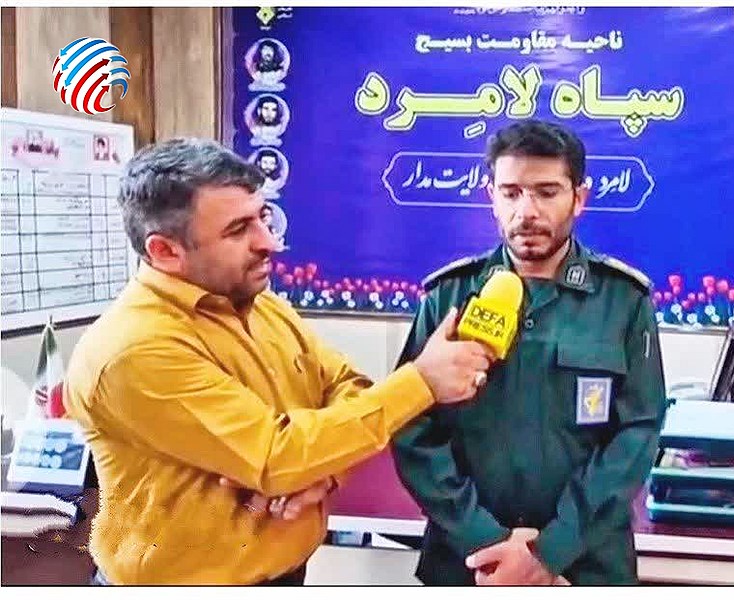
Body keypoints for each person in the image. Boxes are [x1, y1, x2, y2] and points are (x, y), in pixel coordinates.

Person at [62, 138, 495, 585]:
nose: (269, 242)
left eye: (263, 217)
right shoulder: (135, 350)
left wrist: (321, 474)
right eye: (238, 230)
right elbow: (276, 456)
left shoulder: (257, 301)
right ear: (165, 251)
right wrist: (422, 381)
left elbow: (348, 386)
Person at [390, 120, 667, 585]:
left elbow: (636, 435)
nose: (527, 211)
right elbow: (411, 426)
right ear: (491, 197)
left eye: (546, 192)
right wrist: (484, 540)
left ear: (579, 198)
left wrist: (549, 552)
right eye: (511, 193)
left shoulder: (623, 301)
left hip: (585, 566)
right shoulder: (448, 297)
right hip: (467, 565)